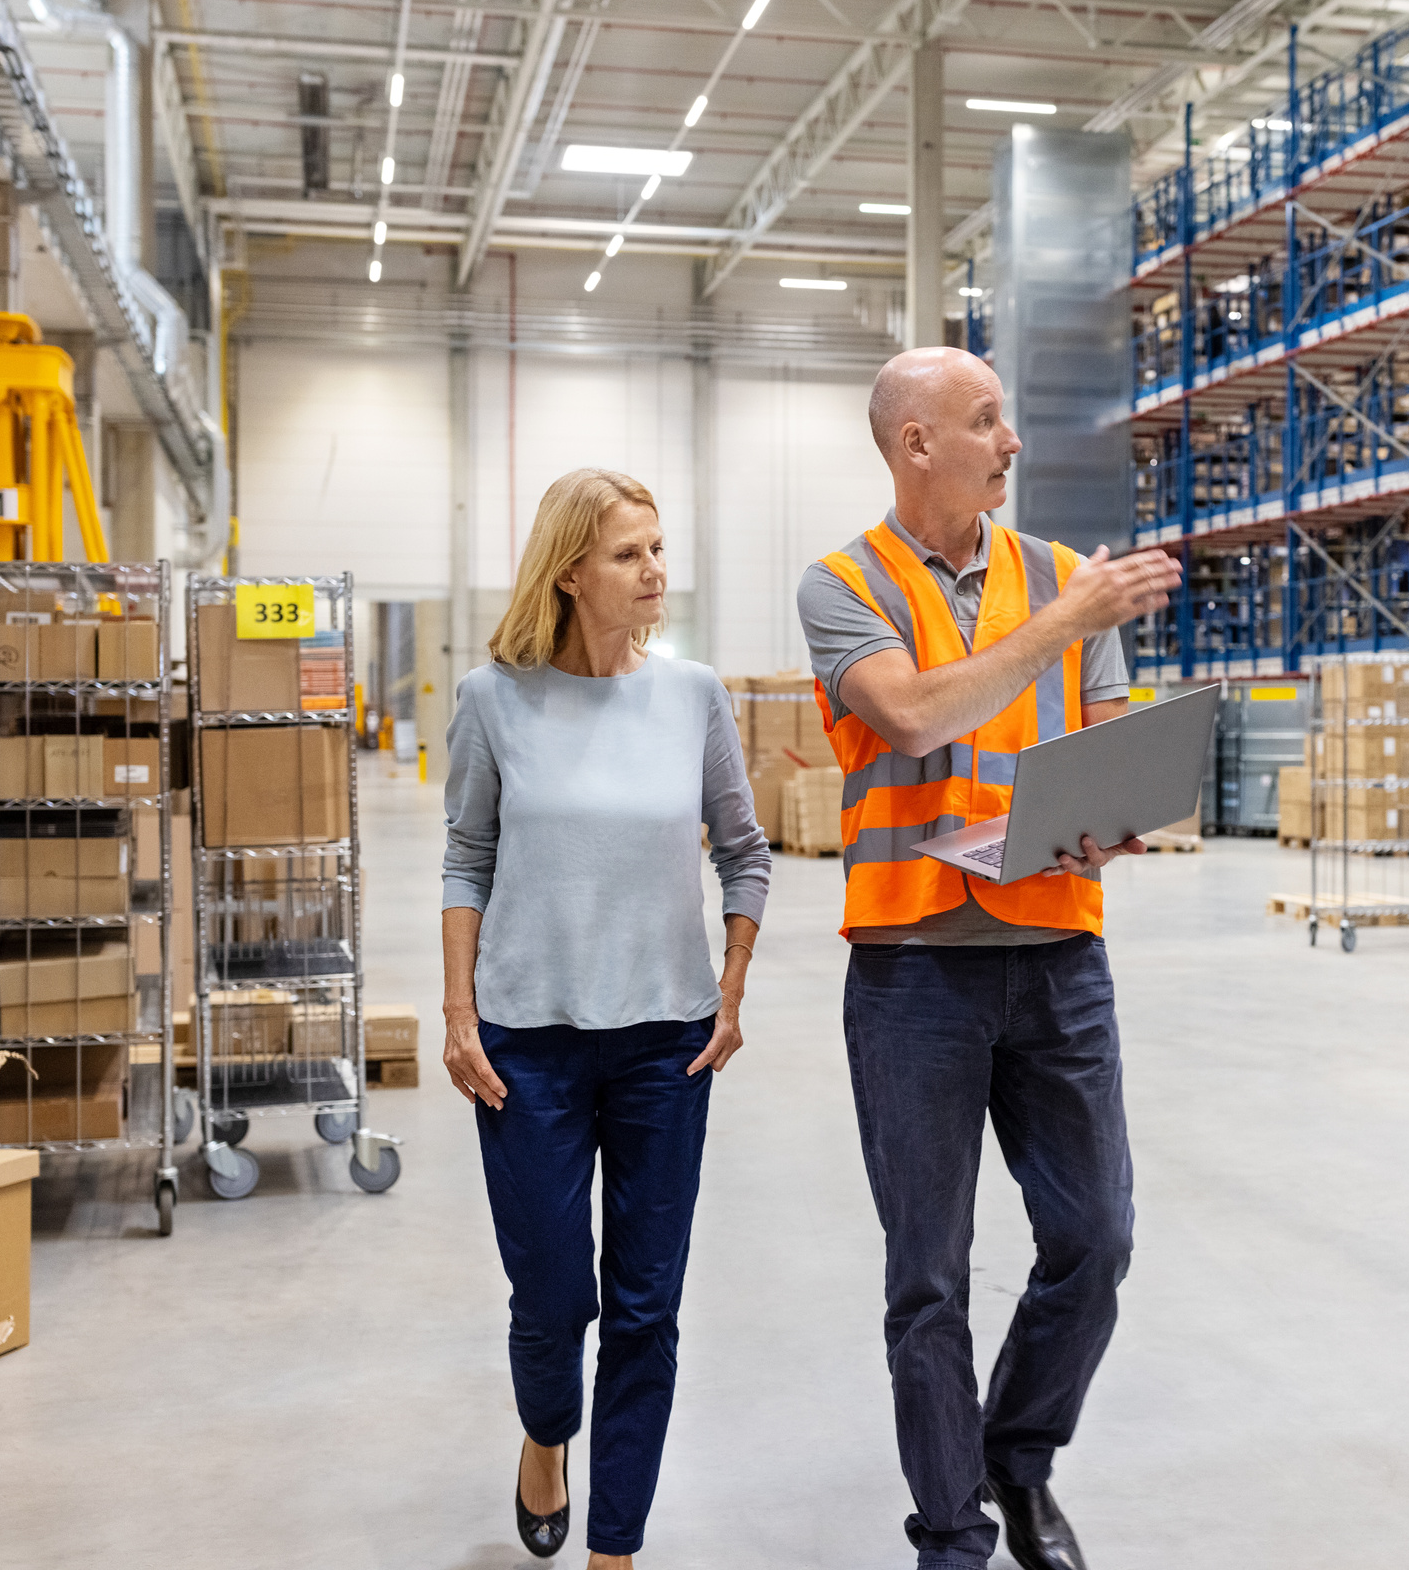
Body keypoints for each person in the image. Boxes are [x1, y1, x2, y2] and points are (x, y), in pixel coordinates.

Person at [795, 347, 1184, 1570]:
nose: (1010, 441)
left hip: (1059, 954)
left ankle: (1016, 1458)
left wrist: (1118, 805)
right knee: (930, 1279)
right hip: (916, 970)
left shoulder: (1063, 574)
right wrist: (1067, 624)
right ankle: (951, 1534)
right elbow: (910, 713)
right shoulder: (841, 583)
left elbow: (1108, 730)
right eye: (985, 420)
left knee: (1097, 1237)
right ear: (917, 443)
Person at [441, 468, 769, 1570]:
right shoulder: (495, 697)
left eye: (660, 550)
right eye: (630, 554)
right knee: (550, 1291)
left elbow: (745, 850)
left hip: (666, 1045)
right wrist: (458, 1011)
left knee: (645, 1305)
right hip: (525, 1042)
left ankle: (614, 1548)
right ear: (570, 570)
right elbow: (466, 856)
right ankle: (546, 1432)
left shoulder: (694, 695)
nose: (655, 572)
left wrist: (728, 989)